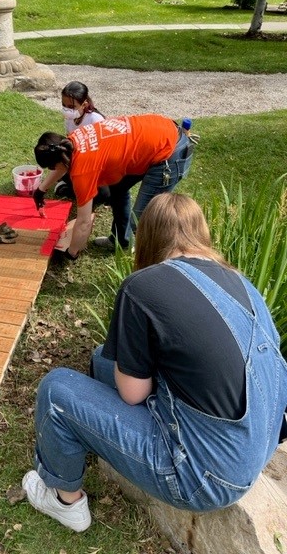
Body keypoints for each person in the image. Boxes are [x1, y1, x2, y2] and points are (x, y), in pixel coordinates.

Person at [22, 193, 287, 532]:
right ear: (199, 234)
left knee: (57, 390)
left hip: (204, 475)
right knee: (101, 360)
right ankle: (82, 437)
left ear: (148, 235)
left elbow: (133, 395)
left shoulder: (142, 286)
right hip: (256, 444)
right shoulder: (240, 282)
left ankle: (65, 501)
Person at [33, 113, 194, 258]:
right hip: (158, 132)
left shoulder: (83, 170)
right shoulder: (71, 141)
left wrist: (72, 252)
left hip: (169, 153)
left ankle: (157, 261)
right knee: (117, 188)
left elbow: (84, 222)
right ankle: (120, 240)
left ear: (60, 160)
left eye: (51, 168)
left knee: (142, 219)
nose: (52, 171)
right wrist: (41, 190)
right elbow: (62, 165)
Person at [43, 81, 108, 204]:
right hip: (78, 161)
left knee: (102, 195)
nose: (67, 109)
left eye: (71, 107)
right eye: (64, 105)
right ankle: (67, 182)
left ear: (84, 104)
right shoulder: (69, 119)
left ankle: (68, 186)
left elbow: (103, 152)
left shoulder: (96, 120)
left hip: (95, 165)